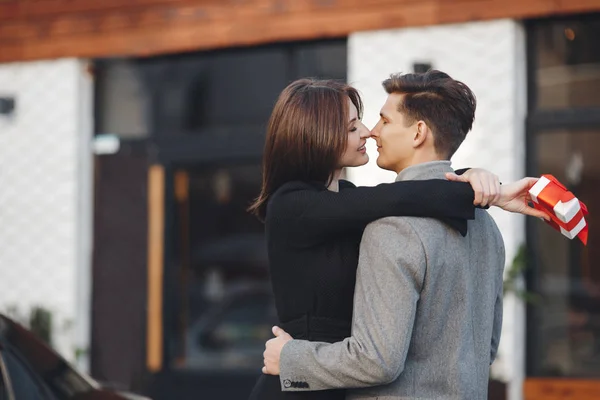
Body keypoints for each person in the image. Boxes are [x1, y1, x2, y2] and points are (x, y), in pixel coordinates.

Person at [249, 77, 546, 400]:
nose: (368, 131)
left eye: (378, 120)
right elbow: (395, 198)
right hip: (299, 387)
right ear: (317, 136)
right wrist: (484, 189)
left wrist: (478, 182)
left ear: (418, 133)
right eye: (352, 128)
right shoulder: (292, 204)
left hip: (327, 376)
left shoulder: (360, 209)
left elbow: (406, 195)